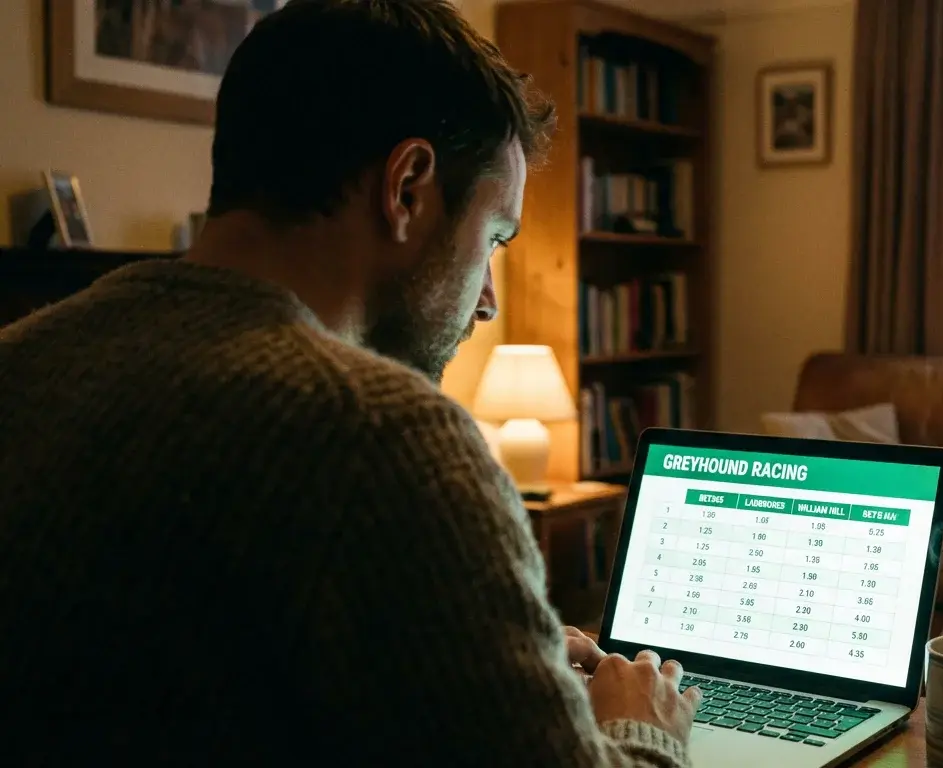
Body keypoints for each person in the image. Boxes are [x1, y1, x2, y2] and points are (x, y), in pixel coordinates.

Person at [0, 1, 701, 765]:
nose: (488, 300)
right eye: (494, 238)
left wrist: (490, 654)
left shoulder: (23, 357)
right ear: (407, 188)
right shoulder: (382, 434)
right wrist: (643, 728)